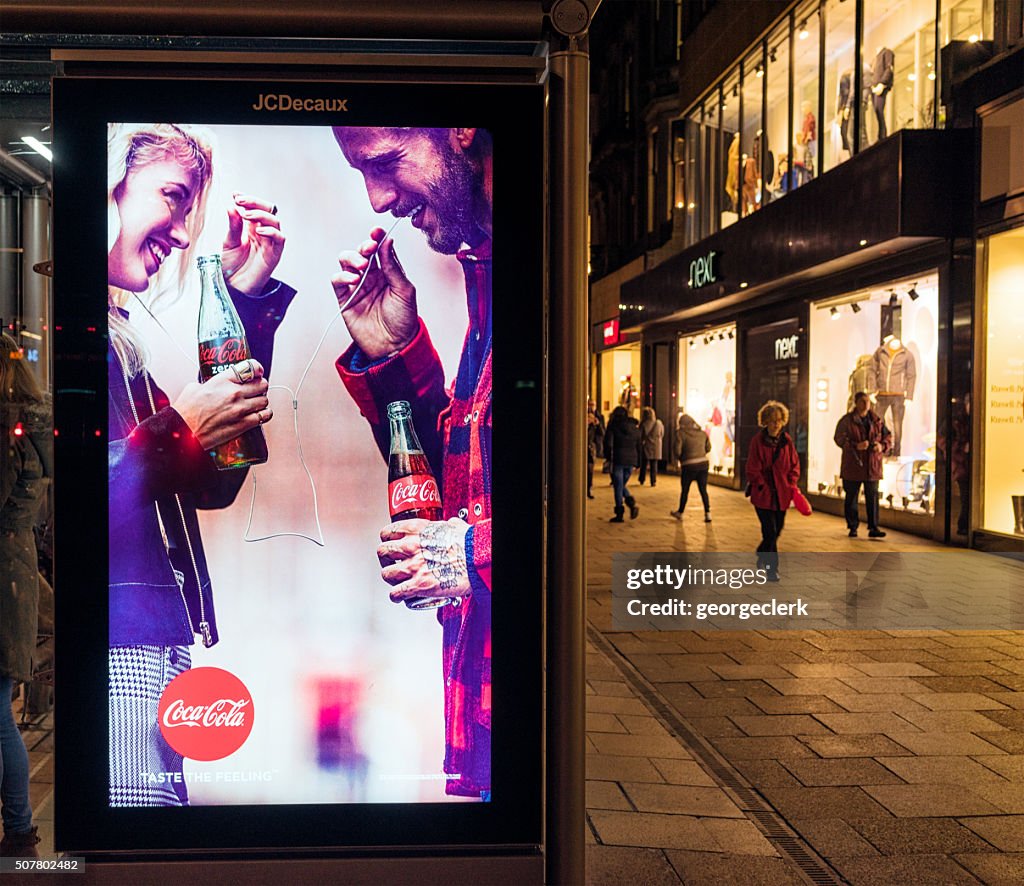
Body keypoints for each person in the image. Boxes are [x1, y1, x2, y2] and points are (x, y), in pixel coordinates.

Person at [107, 123, 295, 806]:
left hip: (154, 635)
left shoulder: (113, 339)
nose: (185, 235)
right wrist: (179, 427)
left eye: (192, 213)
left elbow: (209, 483)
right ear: (110, 183)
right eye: (172, 197)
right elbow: (60, 505)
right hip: (118, 644)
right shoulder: (57, 335)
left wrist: (242, 298)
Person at [331, 126, 493, 799]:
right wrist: (395, 352)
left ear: (460, 129)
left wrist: (469, 554)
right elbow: (463, 478)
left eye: (386, 164)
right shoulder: (485, 274)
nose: (376, 199)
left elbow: (601, 522)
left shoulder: (555, 265)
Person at [0, 335, 51, 857]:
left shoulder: (7, 437)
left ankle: (18, 831)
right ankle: (18, 831)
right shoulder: (26, 430)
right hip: (11, 583)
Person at [745, 401, 800, 581]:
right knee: (769, 530)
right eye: (772, 420)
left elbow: (794, 464)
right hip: (764, 494)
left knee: (778, 530)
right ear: (765, 421)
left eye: (778, 420)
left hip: (782, 493)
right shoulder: (758, 442)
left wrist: (791, 481)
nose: (776, 424)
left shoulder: (787, 441)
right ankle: (771, 569)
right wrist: (760, 484)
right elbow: (752, 467)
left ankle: (762, 551)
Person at [834, 391, 891, 539]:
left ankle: (873, 527)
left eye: (868, 401)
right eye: (863, 401)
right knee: (852, 497)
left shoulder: (876, 420)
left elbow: (888, 437)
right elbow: (839, 438)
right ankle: (853, 526)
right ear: (856, 403)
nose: (866, 404)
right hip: (853, 465)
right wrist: (855, 446)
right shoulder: (847, 421)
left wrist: (881, 446)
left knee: (872, 498)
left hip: (872, 467)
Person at [670, 412, 711, 523]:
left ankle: (680, 512)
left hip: (688, 465)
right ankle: (708, 513)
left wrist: (681, 458)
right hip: (703, 464)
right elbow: (708, 448)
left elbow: (677, 450)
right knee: (703, 490)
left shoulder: (680, 434)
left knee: (685, 490)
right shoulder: (702, 433)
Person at [603, 406, 641, 522]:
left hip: (618, 459)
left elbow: (608, 443)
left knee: (618, 487)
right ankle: (630, 503)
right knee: (620, 485)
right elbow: (639, 445)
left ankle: (620, 513)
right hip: (631, 460)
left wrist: (608, 457)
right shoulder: (634, 428)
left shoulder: (613, 426)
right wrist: (638, 462)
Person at [638, 406, 664, 486]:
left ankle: (642, 479)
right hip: (657, 446)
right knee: (654, 464)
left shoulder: (644, 424)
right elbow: (662, 434)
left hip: (647, 445)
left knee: (644, 463)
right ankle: (653, 481)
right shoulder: (659, 423)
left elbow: (640, 435)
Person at [586, 398, 605, 499]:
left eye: (593, 405)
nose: (591, 407)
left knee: (590, 469)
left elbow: (602, 433)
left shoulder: (599, 417)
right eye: (590, 404)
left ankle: (588, 488)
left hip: (591, 447)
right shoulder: (582, 415)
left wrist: (597, 424)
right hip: (584, 446)